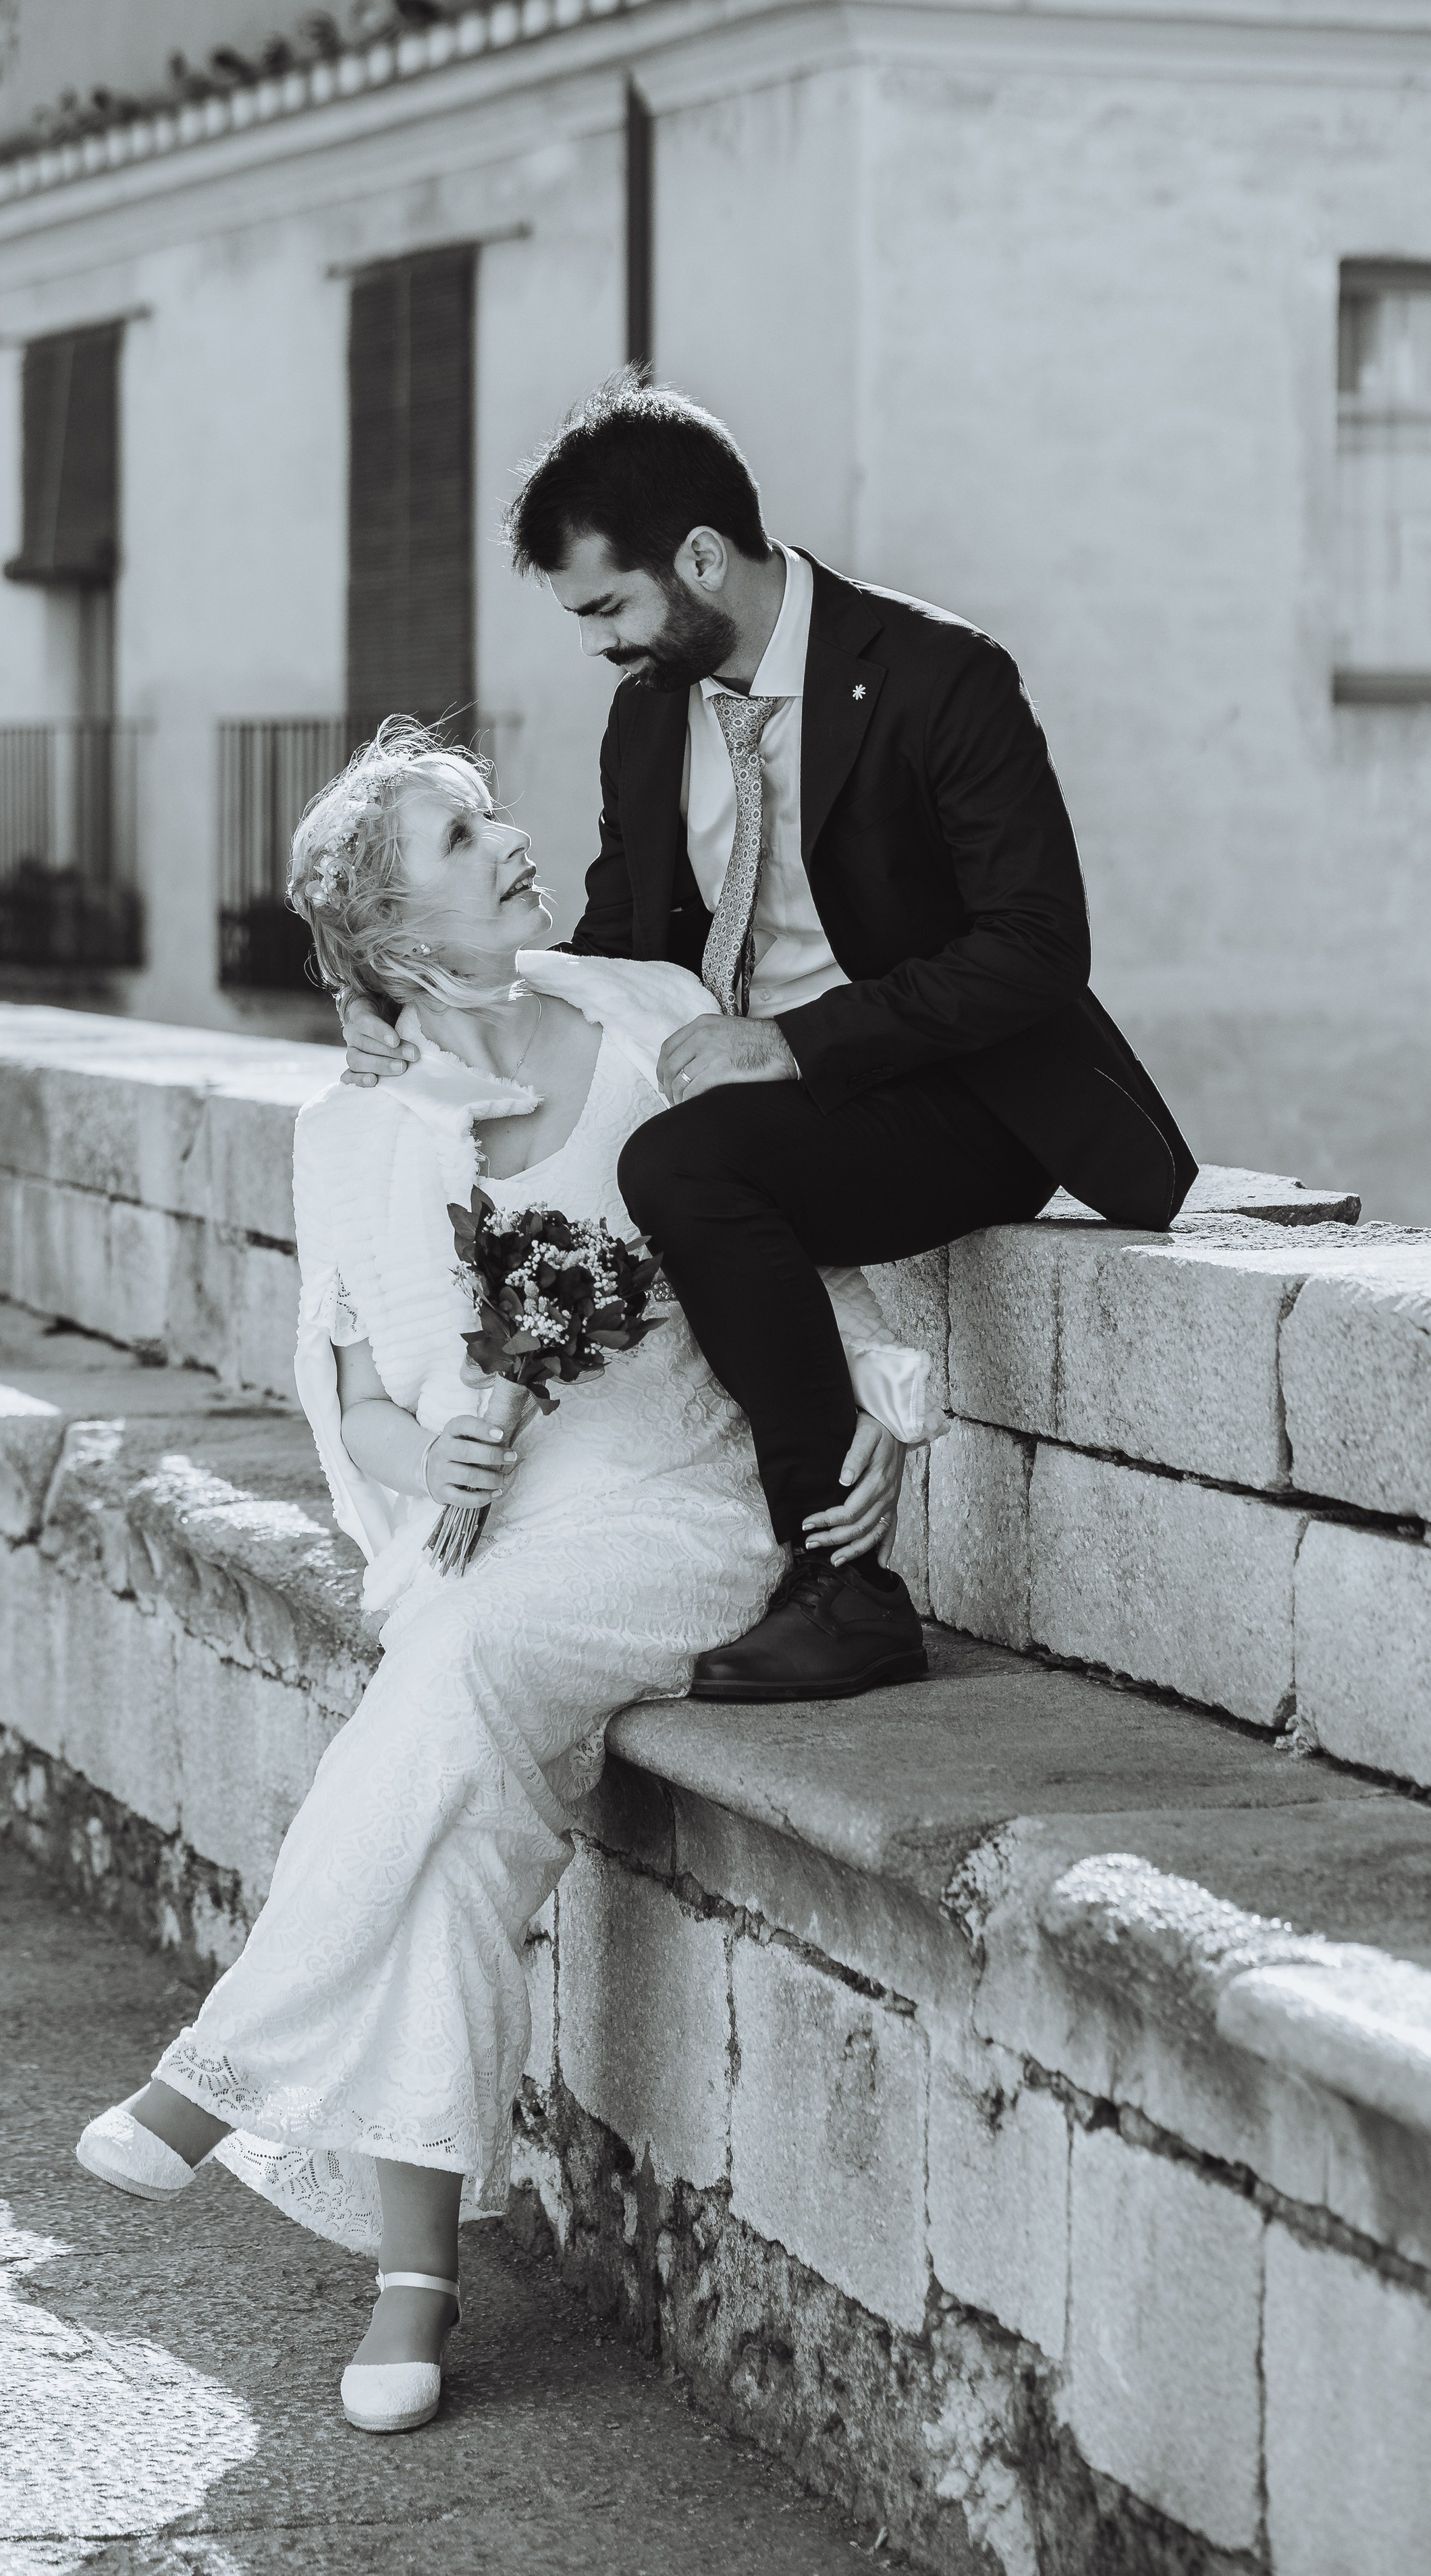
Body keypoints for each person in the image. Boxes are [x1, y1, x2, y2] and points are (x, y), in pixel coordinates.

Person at [74, 723, 942, 2435]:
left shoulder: (642, 1014)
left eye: (488, 816)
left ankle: (218, 2068)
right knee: (459, 1824)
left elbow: (816, 1232)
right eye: (463, 838)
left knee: (454, 1672)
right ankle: (413, 2290)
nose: (513, 840)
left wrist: (885, 1412)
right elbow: (356, 1407)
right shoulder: (354, 1135)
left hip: (686, 1505)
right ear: (395, 935)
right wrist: (438, 1462)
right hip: (491, 1544)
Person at [342, 375, 1196, 1702]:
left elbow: (1034, 948)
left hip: (958, 1098)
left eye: (607, 609)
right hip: (751, 1113)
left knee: (681, 1165)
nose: (599, 644)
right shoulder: (650, 713)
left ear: (699, 560)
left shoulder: (940, 676)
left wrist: (799, 1044)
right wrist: (419, 1013)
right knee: (629, 1156)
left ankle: (844, 1590)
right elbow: (621, 944)